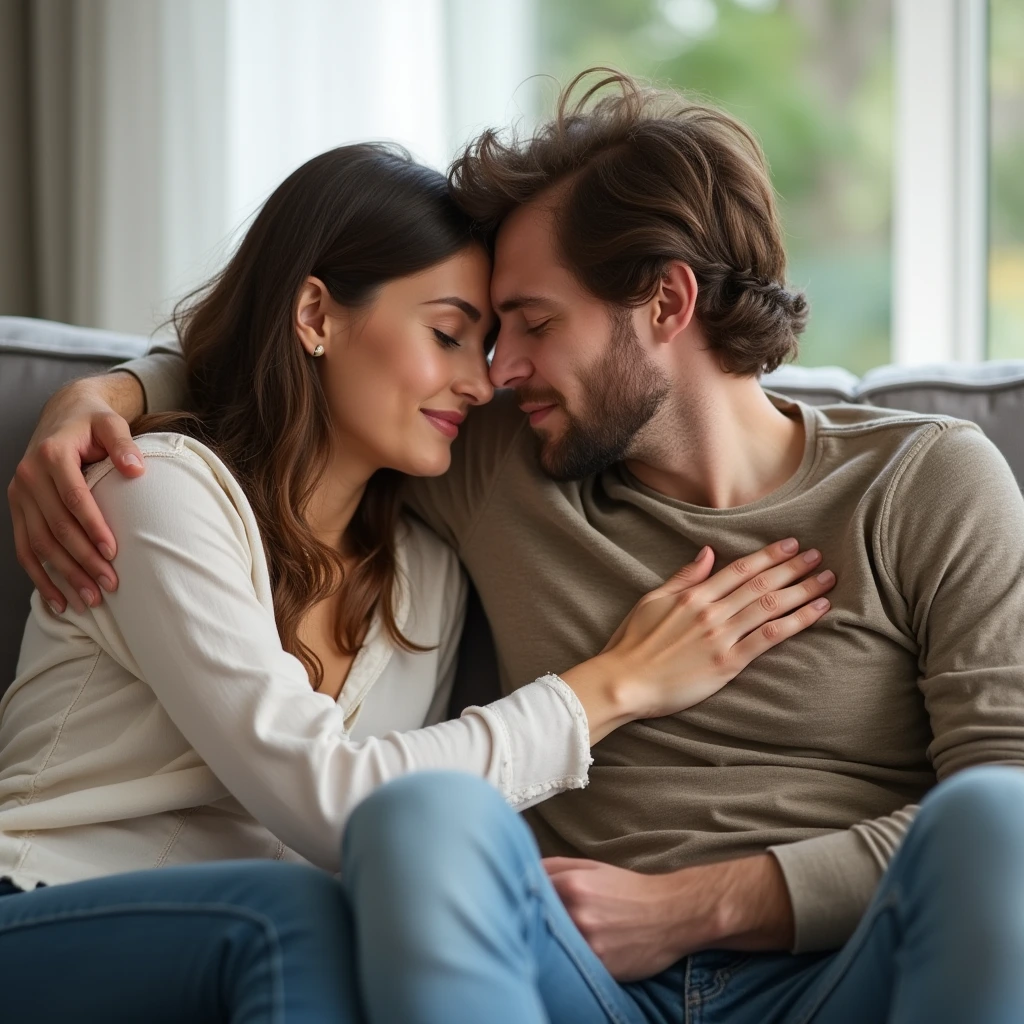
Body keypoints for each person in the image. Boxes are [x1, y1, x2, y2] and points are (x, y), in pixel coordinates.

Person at [11, 69, 1024, 1023]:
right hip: (570, 977)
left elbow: (1009, 793)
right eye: (480, 333)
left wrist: (704, 904)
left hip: (838, 976)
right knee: (418, 819)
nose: (497, 371)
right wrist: (110, 395)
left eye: (528, 324)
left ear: (666, 303)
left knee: (996, 821)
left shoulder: (925, 480)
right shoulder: (493, 458)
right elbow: (292, 371)